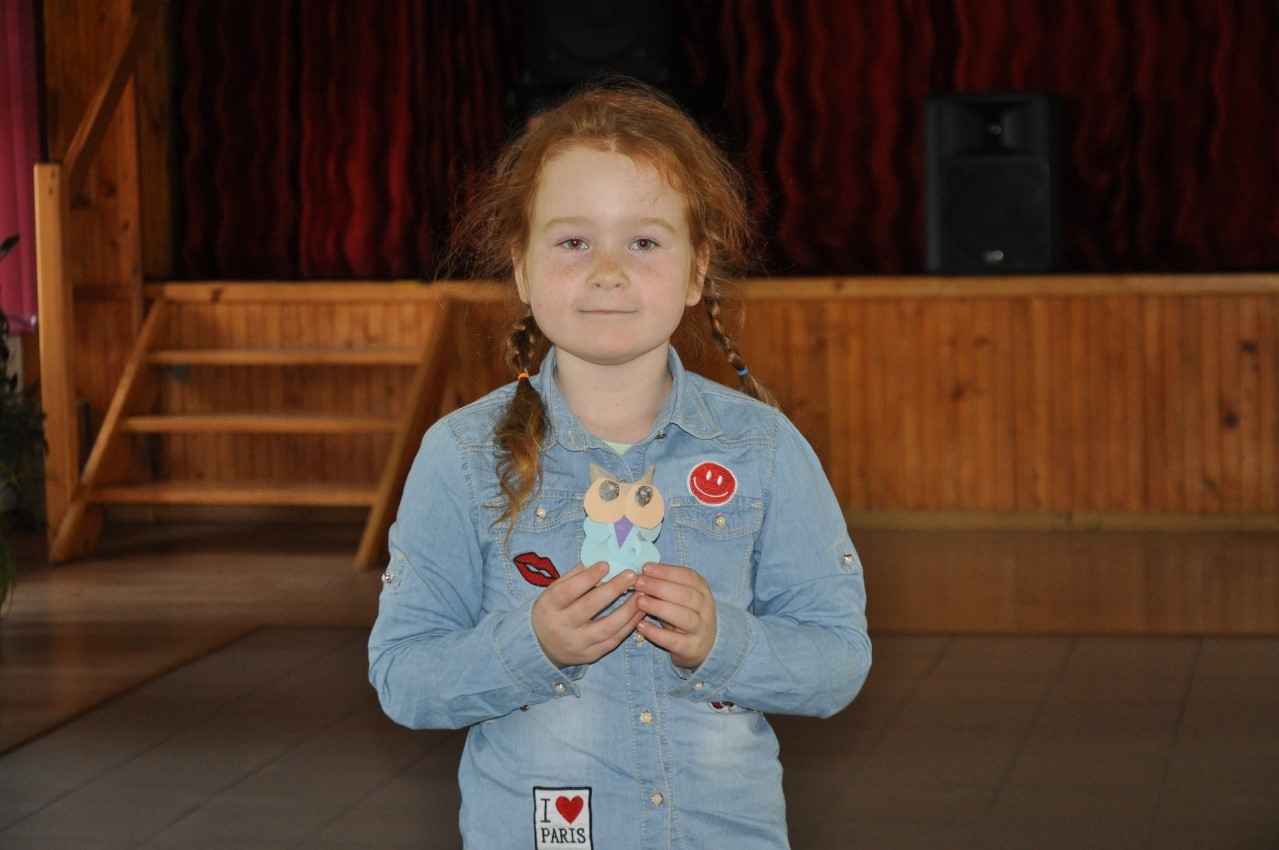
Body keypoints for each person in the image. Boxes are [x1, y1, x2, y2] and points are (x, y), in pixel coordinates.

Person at [368, 80, 871, 850]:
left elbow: (836, 661)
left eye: (643, 242)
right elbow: (405, 678)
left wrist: (724, 641)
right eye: (573, 242)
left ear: (697, 270)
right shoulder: (461, 456)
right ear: (521, 267)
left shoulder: (762, 449)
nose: (607, 272)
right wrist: (530, 645)